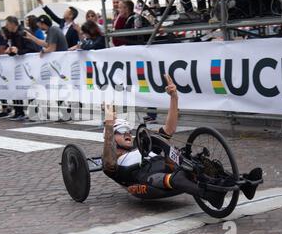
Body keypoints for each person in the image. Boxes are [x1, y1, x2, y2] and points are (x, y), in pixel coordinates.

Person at [102, 75, 262, 209]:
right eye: (122, 131)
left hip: (169, 166)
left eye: (128, 130)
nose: (128, 134)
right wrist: (109, 124)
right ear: (112, 137)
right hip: (146, 183)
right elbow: (108, 162)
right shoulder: (113, 161)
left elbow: (168, 131)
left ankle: (245, 182)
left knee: (198, 162)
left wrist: (174, 98)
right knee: (176, 177)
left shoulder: (142, 141)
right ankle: (211, 196)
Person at [0, 16, 41, 120]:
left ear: (13, 24)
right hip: (18, 66)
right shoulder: (12, 34)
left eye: (7, 24)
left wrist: (18, 50)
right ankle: (19, 112)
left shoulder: (24, 32)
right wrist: (11, 51)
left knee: (30, 88)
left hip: (29, 65)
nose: (6, 26)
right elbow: (16, 50)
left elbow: (33, 48)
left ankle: (34, 113)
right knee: (16, 87)